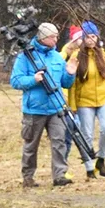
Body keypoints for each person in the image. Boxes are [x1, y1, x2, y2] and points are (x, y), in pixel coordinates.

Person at [10, 22, 77, 188]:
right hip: (34, 109)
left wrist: (70, 73)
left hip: (56, 107)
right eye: (53, 37)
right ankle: (28, 177)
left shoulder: (56, 57)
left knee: (59, 142)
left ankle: (60, 175)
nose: (56, 39)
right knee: (31, 145)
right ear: (43, 37)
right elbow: (15, 81)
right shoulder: (25, 57)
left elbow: (65, 83)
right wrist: (33, 80)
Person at [63, 21, 105, 180]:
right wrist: (72, 104)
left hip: (104, 99)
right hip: (84, 102)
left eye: (93, 36)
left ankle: (101, 159)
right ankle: (89, 167)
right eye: (87, 36)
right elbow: (72, 84)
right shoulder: (76, 56)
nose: (90, 39)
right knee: (86, 134)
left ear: (97, 37)